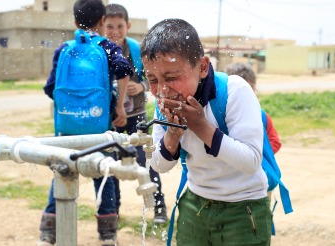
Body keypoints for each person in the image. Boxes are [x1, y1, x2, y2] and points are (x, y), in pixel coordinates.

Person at [142, 19, 272, 245]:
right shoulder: (163, 103)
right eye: (152, 80)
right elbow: (158, 165)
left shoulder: (234, 91)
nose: (162, 89)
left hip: (244, 208)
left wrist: (200, 126)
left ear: (202, 67)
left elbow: (251, 161)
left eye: (171, 78)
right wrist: (172, 134)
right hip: (195, 204)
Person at [38, 0, 133, 245]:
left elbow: (50, 87)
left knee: (62, 172)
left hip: (66, 130)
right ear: (103, 21)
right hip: (99, 128)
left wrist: (71, 109)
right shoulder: (108, 47)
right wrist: (119, 105)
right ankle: (108, 234)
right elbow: (124, 72)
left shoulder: (64, 49)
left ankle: (49, 229)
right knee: (104, 175)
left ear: (74, 22)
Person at [103, 3, 168, 224]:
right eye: (109, 26)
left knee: (144, 160)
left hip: (136, 116)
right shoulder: (100, 51)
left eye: (119, 26)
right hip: (111, 119)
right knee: (111, 164)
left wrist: (141, 87)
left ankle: (159, 207)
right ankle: (114, 209)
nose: (115, 31)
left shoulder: (136, 50)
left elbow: (155, 78)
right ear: (102, 25)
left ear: (128, 26)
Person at [225, 62, 282, 153]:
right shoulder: (219, 115)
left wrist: (257, 155)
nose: (243, 95)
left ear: (254, 88)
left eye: (248, 90)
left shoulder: (262, 116)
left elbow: (275, 142)